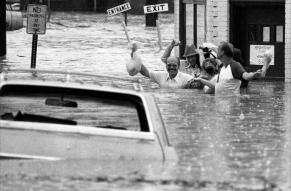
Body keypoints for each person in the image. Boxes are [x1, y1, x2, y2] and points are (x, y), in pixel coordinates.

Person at [193, 41, 271, 96]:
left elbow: (246, 75)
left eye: (218, 49)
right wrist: (201, 80)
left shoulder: (235, 66)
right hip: (222, 109)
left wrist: (254, 74)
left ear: (222, 52)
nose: (216, 51)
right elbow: (217, 86)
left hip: (231, 109)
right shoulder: (223, 67)